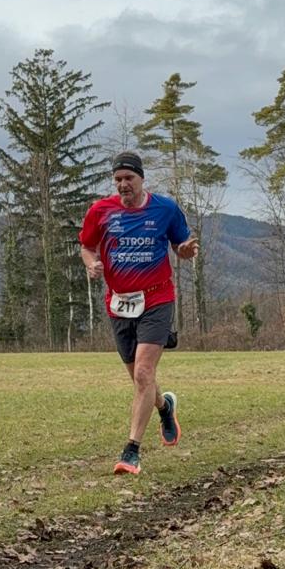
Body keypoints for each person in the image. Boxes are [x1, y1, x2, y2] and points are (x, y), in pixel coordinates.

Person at [79, 152, 199, 475]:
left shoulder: (164, 209)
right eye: (117, 180)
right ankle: (165, 407)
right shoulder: (100, 212)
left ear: (141, 179)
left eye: (128, 179)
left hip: (157, 299)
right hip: (119, 304)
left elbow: (182, 243)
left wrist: (185, 251)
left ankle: (131, 451)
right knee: (139, 378)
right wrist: (92, 264)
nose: (122, 185)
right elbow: (87, 246)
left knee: (145, 374)